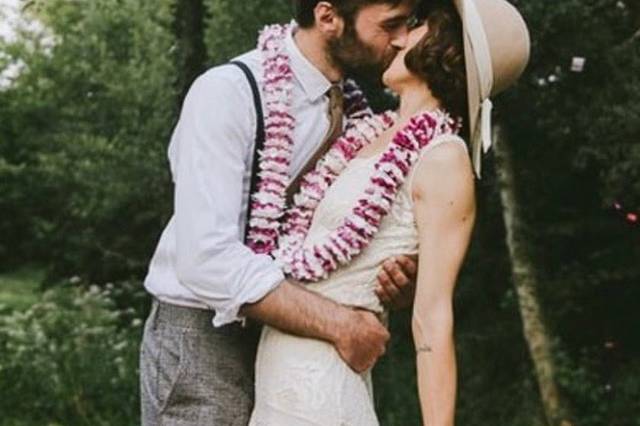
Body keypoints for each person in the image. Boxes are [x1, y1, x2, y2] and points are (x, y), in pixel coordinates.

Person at [139, 1, 422, 424]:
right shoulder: (226, 93)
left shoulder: (358, 117)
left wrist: (392, 281)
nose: (402, 40)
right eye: (391, 25)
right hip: (205, 341)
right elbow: (206, 258)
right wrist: (340, 325)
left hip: (295, 349)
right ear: (328, 17)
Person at [247, 0, 530, 424]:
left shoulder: (443, 158)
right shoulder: (368, 134)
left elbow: (432, 318)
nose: (395, 38)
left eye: (413, 26)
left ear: (444, 48)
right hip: (278, 383)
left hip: (322, 396)